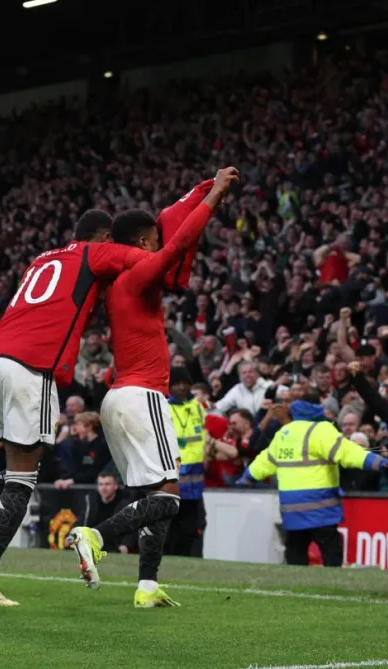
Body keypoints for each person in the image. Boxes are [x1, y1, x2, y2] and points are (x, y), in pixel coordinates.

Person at [0, 209, 151, 607]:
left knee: (19, 462)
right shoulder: (95, 252)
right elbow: (146, 260)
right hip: (30, 366)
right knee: (24, 479)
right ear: (103, 236)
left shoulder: (44, 259)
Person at [66, 166, 239, 609]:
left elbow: (171, 233)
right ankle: (95, 535)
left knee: (151, 494)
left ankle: (146, 585)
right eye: (153, 242)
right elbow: (179, 243)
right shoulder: (135, 275)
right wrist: (214, 195)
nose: (160, 248)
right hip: (142, 397)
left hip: (118, 397)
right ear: (143, 244)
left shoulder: (116, 288)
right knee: (169, 499)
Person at [238, 400, 388, 566]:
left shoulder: (284, 433)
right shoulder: (321, 430)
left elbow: (264, 461)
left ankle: (295, 587)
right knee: (331, 551)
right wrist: (377, 461)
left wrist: (246, 478)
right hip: (321, 507)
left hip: (292, 510)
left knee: (296, 552)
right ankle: (332, 584)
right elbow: (347, 452)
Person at [165, 367, 207, 557]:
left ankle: (187, 557)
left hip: (195, 475)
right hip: (172, 471)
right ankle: (170, 556)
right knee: (171, 519)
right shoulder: (163, 407)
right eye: (177, 383)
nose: (182, 387)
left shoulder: (198, 406)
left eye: (185, 383)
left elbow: (204, 433)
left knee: (192, 521)